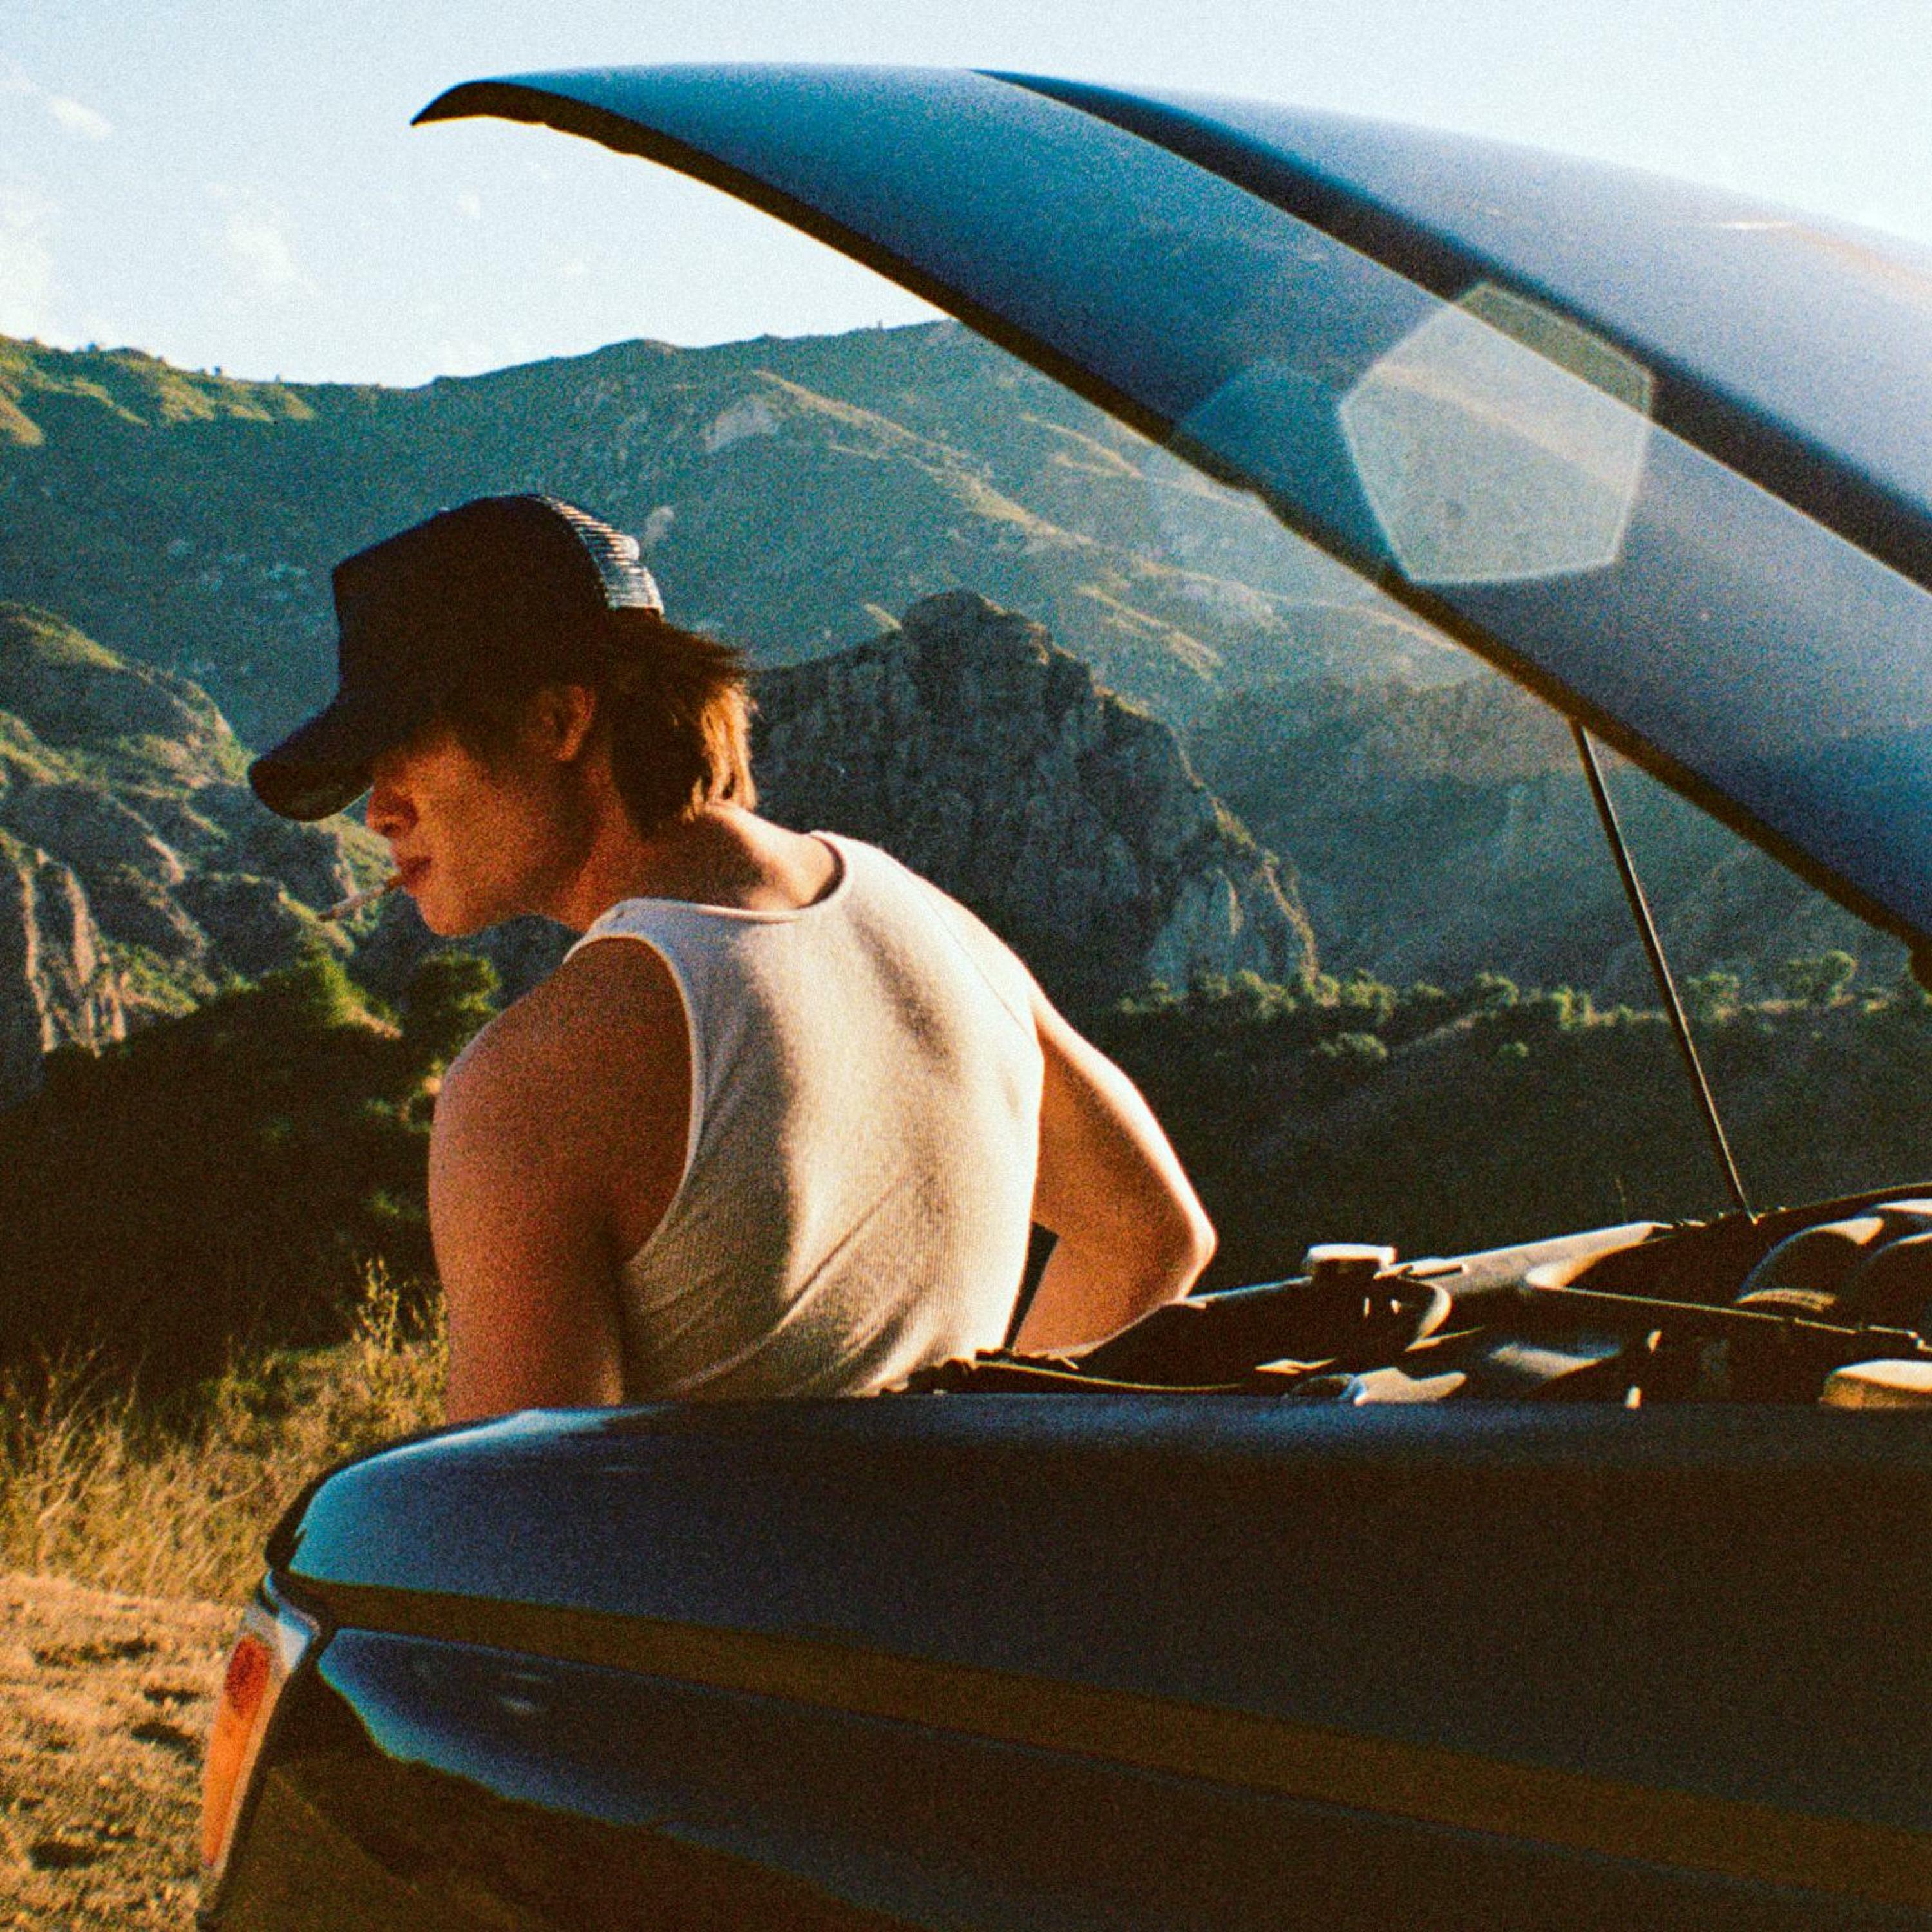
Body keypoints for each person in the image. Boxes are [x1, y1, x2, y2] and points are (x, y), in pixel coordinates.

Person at [251, 495, 1215, 1422]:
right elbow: (1151, 1236)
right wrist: (988, 1472)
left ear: (557, 721)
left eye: (403, 750)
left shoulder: (536, 1084)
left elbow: (518, 1519)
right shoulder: (940, 929)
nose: (377, 812)